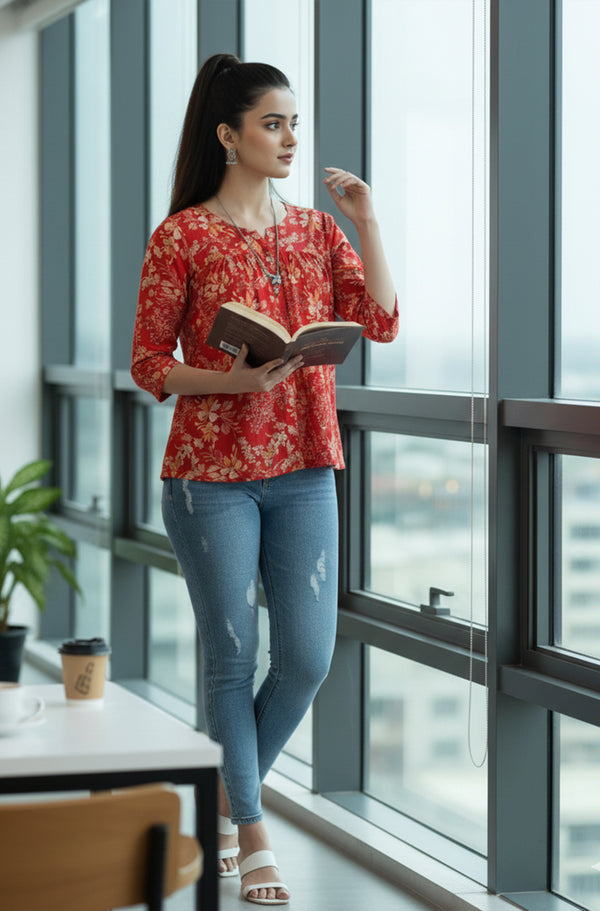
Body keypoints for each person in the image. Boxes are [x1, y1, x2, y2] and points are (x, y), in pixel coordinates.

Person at [131, 52, 398, 906]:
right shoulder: (183, 234)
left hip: (306, 469)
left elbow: (382, 321)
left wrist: (368, 221)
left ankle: (220, 798)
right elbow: (148, 363)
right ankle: (252, 837)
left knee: (308, 659)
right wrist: (238, 381)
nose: (288, 139)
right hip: (210, 475)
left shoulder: (318, 232)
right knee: (232, 654)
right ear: (228, 135)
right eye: (271, 124)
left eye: (293, 123)